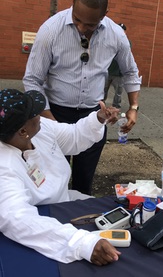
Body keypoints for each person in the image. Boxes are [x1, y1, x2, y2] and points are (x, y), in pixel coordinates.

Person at [23, 0, 141, 195]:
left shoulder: (116, 35)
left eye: (90, 25)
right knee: (53, 180)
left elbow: (131, 71)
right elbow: (32, 80)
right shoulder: (50, 30)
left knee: (84, 181)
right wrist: (50, 121)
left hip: (94, 116)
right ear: (72, 4)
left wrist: (134, 106)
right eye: (77, 19)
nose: (81, 28)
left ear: (105, 14)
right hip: (54, 112)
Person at [0, 88, 121, 265]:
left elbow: (73, 135)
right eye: (34, 112)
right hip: (45, 224)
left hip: (66, 202)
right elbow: (17, 218)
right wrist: (80, 243)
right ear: (23, 131)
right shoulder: (4, 166)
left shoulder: (40, 129)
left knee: (117, 214)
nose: (39, 113)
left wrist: (98, 118)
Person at [104, 23, 130, 109]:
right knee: (103, 90)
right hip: (108, 70)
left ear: (125, 32)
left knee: (118, 92)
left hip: (119, 73)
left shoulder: (127, 43)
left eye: (123, 30)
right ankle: (101, 104)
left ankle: (116, 106)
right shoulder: (109, 41)